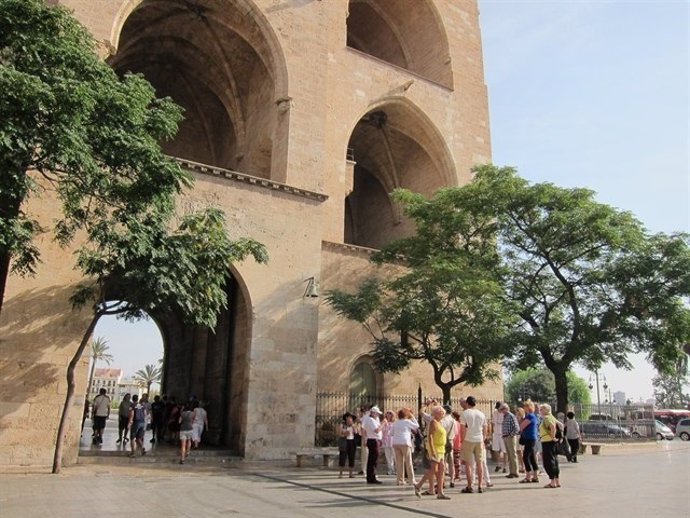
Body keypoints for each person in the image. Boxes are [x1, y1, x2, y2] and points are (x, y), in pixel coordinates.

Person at [414, 405, 450, 500]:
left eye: (443, 413)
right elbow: (430, 436)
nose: (443, 414)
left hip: (441, 448)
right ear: (435, 413)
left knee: (441, 470)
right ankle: (419, 485)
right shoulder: (433, 422)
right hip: (435, 448)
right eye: (441, 412)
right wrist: (432, 450)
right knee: (433, 469)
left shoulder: (440, 422)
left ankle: (440, 492)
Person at [460, 395, 488, 494]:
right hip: (479, 439)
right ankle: (480, 485)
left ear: (467, 403)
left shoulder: (465, 413)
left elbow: (462, 429)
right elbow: (485, 428)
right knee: (479, 463)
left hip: (468, 439)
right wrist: (483, 438)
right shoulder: (481, 414)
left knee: (468, 463)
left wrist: (462, 441)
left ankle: (470, 485)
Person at [391, 407, 419, 486]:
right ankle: (411, 480)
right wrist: (413, 416)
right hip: (405, 443)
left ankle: (400, 480)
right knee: (408, 462)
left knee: (399, 462)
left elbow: (391, 433)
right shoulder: (407, 421)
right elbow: (416, 426)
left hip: (396, 443)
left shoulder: (395, 422)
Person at [539, 403, 561, 488]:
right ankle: (557, 480)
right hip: (551, 442)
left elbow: (552, 427)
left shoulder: (547, 418)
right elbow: (560, 425)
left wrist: (552, 436)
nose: (540, 411)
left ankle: (552, 482)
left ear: (545, 410)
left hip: (547, 441)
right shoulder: (552, 417)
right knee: (554, 461)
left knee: (548, 461)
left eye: (541, 409)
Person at [361, 405, 385, 484]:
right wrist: (383, 424)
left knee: (372, 459)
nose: (378, 415)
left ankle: (371, 476)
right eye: (377, 413)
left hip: (373, 440)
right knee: (373, 460)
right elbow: (377, 430)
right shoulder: (371, 420)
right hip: (373, 440)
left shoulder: (373, 420)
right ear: (373, 413)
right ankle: (372, 477)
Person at [519, 400, 539, 484]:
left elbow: (521, 426)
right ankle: (535, 475)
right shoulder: (532, 416)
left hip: (529, 439)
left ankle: (528, 476)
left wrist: (521, 420)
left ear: (529, 407)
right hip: (531, 438)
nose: (524, 408)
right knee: (531, 457)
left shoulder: (529, 416)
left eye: (526, 406)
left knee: (525, 457)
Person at [499, 402, 520, 478]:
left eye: (502, 409)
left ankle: (515, 472)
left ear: (506, 409)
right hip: (506, 437)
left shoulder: (511, 416)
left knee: (512, 454)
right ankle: (511, 471)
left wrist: (510, 435)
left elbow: (517, 428)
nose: (501, 411)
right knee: (509, 455)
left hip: (510, 437)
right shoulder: (505, 416)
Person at [440, 404, 457, 487]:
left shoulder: (444, 420)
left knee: (443, 462)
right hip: (451, 440)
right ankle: (452, 479)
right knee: (451, 462)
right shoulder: (453, 420)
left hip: (444, 441)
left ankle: (442, 481)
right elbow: (456, 432)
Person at [338, 412, 357, 478]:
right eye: (349, 418)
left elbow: (356, 432)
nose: (350, 419)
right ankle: (340, 473)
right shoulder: (342, 425)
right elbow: (339, 434)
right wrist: (344, 434)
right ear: (346, 418)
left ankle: (351, 473)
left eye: (351, 418)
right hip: (344, 441)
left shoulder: (353, 425)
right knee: (342, 457)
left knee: (351, 457)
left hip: (352, 442)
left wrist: (353, 427)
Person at [491, 401, 507, 473]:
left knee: (504, 450)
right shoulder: (494, 413)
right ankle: (498, 464)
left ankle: (505, 466)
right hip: (496, 433)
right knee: (496, 449)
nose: (498, 409)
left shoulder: (505, 413)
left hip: (503, 434)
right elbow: (493, 423)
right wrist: (492, 432)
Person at [381, 411, 396, 476]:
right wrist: (384, 424)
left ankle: (397, 469)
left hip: (393, 441)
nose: (388, 414)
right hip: (386, 441)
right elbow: (381, 430)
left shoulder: (394, 423)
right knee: (388, 456)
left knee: (395, 456)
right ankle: (390, 469)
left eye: (390, 413)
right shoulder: (384, 422)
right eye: (387, 413)